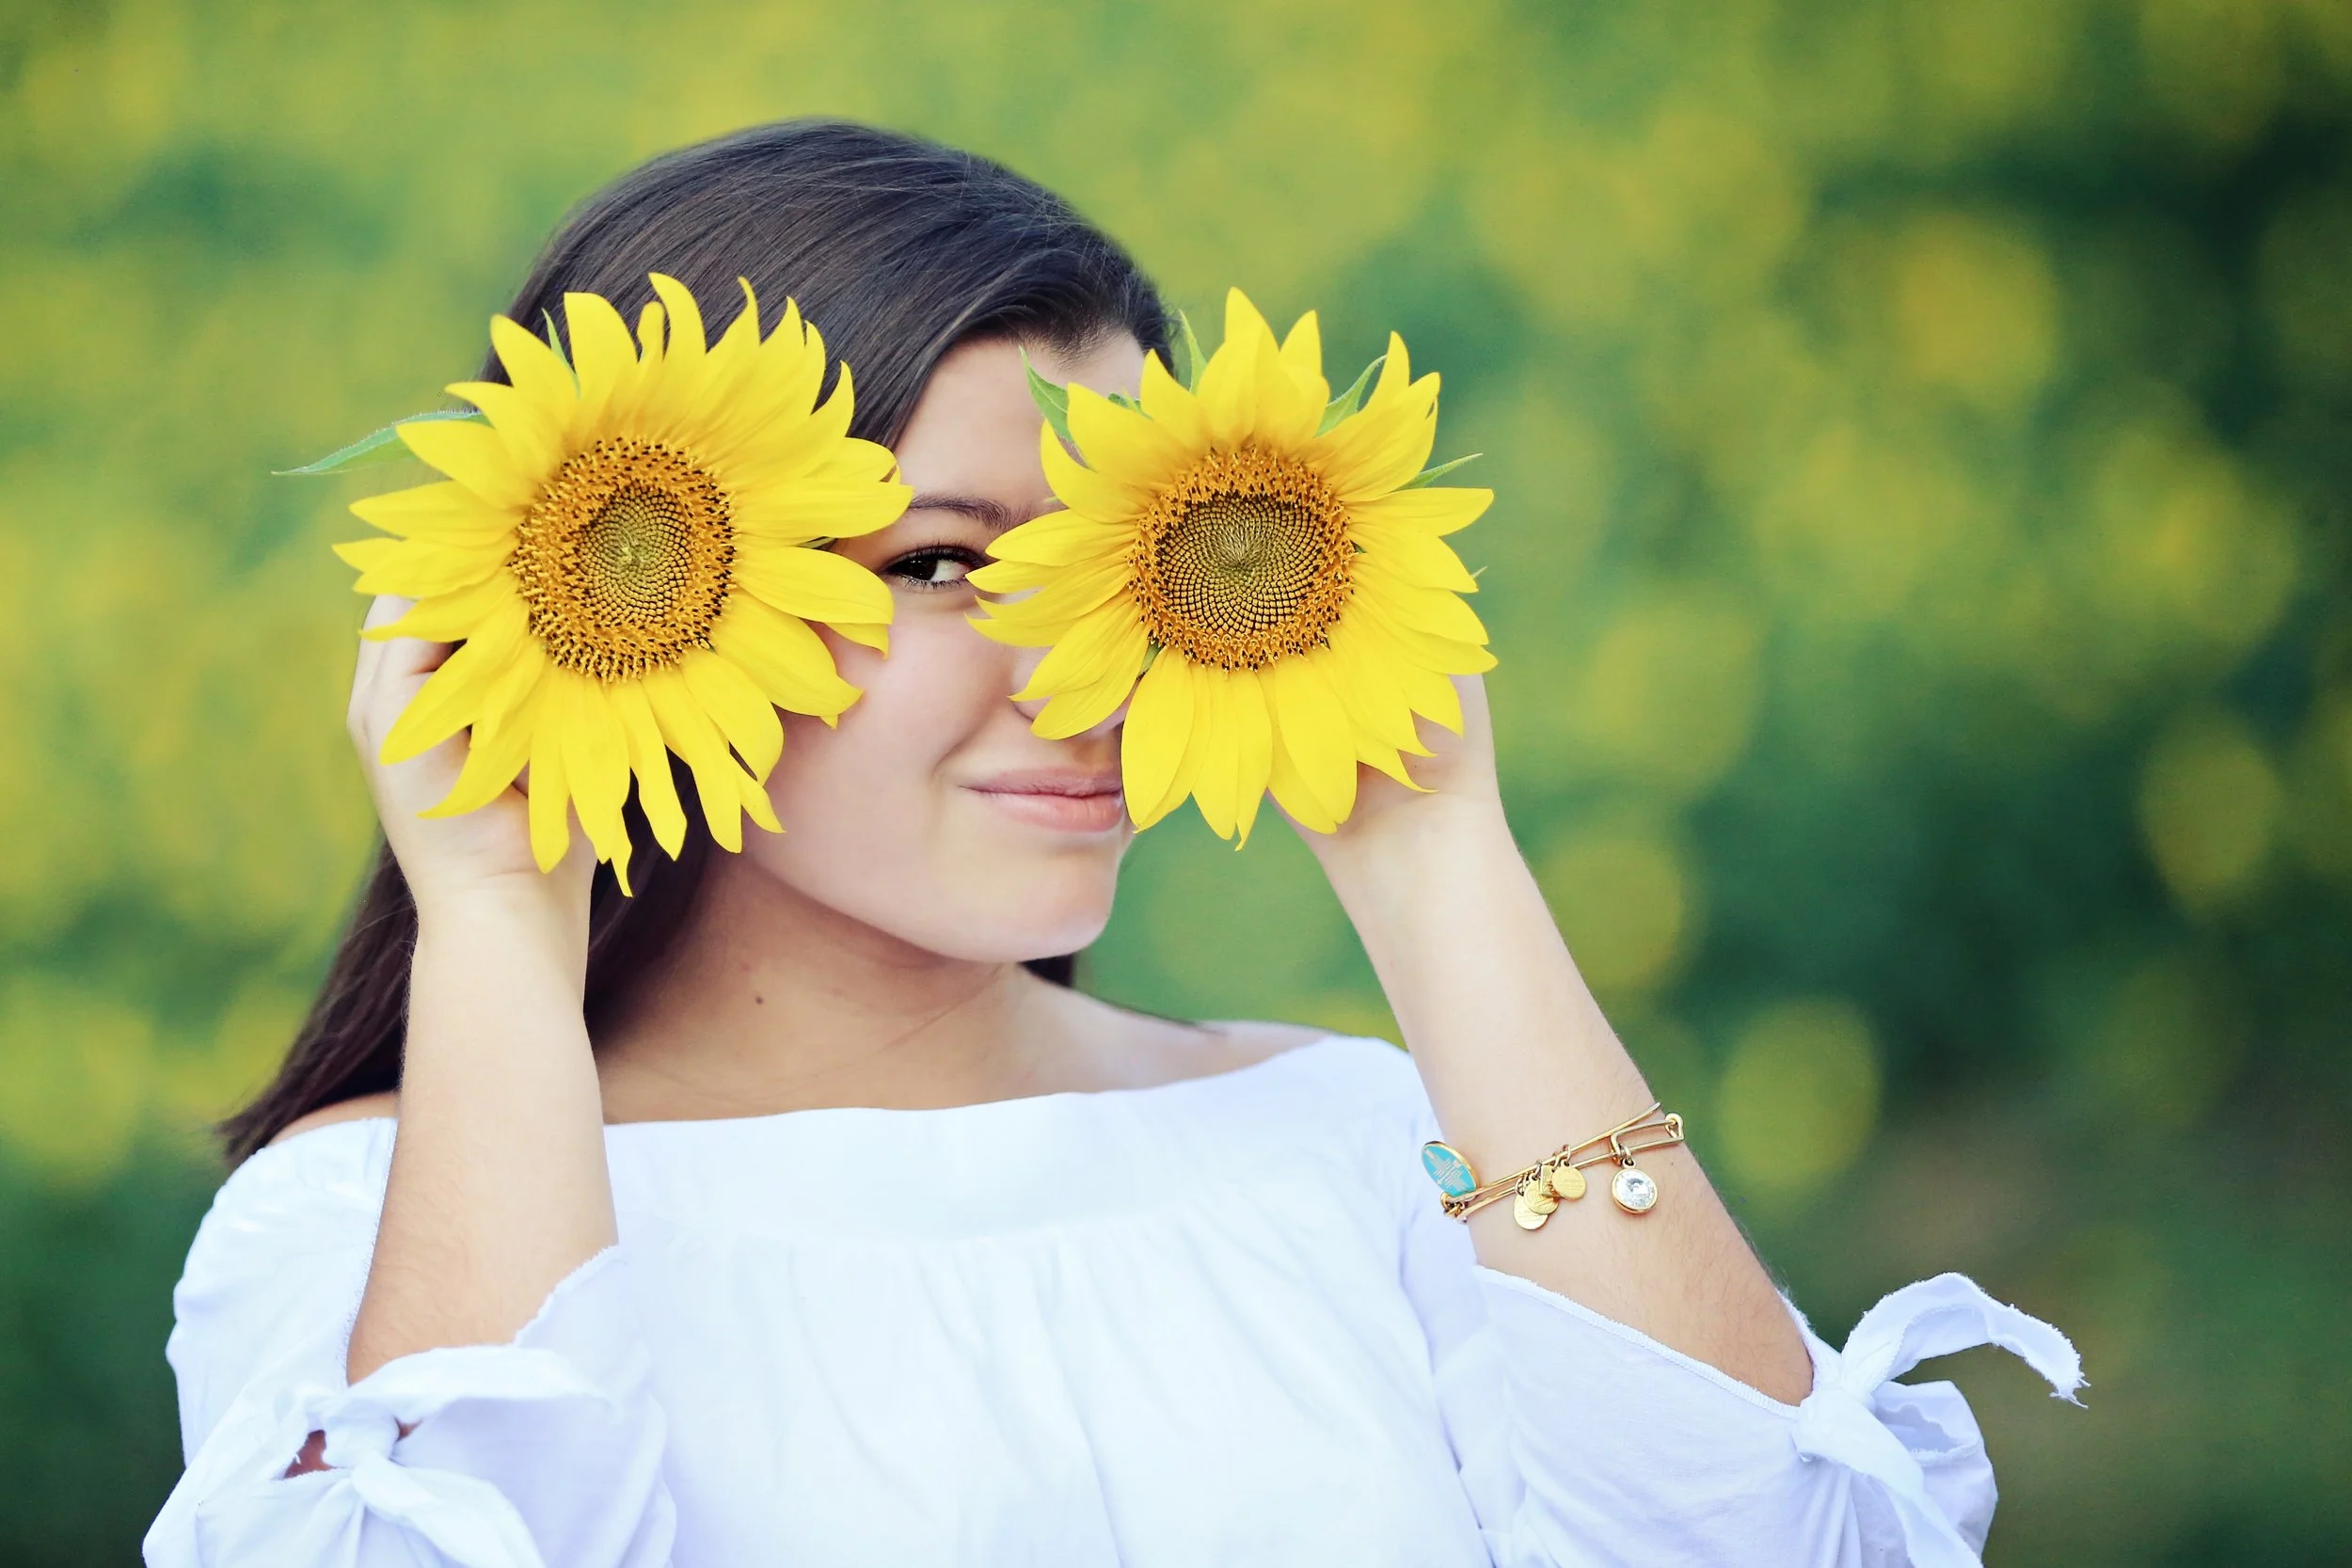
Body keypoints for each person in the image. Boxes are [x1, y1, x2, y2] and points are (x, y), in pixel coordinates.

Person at [144, 119, 2077, 1568]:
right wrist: (493, 905)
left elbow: (1771, 1541)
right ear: (632, 583)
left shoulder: (1355, 1147)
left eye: (1127, 558)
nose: (1086, 666)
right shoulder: (363, 1223)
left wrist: (1432, 847)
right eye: (945, 561)